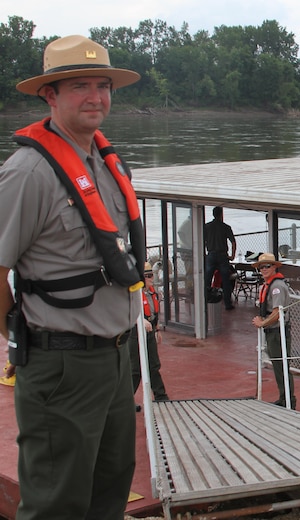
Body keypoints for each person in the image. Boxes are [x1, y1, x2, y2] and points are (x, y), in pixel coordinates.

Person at [0, 35, 143, 519]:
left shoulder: (106, 164)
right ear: (50, 95)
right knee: (56, 503)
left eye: (102, 86)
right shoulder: (27, 173)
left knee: (110, 491)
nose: (95, 97)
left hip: (117, 357)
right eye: (78, 86)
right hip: (60, 365)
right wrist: (20, 337)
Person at [251, 253, 296, 409]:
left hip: (278, 333)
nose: (264, 269)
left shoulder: (276, 287)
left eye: (267, 266)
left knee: (282, 367)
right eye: (261, 267)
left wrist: (262, 323)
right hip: (272, 332)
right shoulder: (269, 285)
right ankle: (284, 399)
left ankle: (288, 401)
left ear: (275, 267)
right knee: (278, 367)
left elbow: (277, 313)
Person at [129, 262, 169, 408]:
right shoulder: (132, 294)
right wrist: (139, 321)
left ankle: (161, 396)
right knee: (135, 370)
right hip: (135, 333)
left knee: (154, 364)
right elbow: (125, 312)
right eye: (149, 276)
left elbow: (154, 313)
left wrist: (157, 329)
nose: (153, 278)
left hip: (150, 331)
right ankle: (124, 402)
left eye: (152, 274)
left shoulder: (152, 292)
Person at [204, 206, 237, 310]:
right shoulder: (226, 227)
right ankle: (227, 303)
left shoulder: (206, 227)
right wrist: (232, 255)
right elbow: (233, 242)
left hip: (211, 254)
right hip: (223, 255)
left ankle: (205, 300)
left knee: (207, 280)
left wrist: (205, 254)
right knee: (226, 280)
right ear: (221, 214)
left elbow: (202, 240)